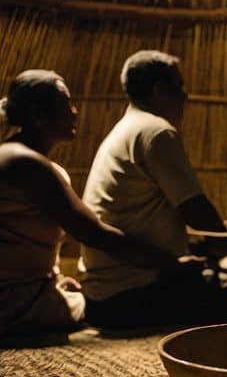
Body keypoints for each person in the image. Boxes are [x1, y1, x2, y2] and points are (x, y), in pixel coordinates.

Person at [0, 69, 205, 336]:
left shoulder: (23, 159)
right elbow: (96, 234)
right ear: (38, 117)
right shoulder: (25, 163)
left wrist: (56, 280)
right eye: (65, 105)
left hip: (25, 290)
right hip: (12, 302)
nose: (75, 112)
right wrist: (173, 264)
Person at [81, 50, 227, 328]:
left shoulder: (127, 129)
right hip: (130, 294)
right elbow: (196, 211)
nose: (185, 96)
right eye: (179, 87)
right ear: (159, 90)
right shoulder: (156, 132)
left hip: (105, 293)